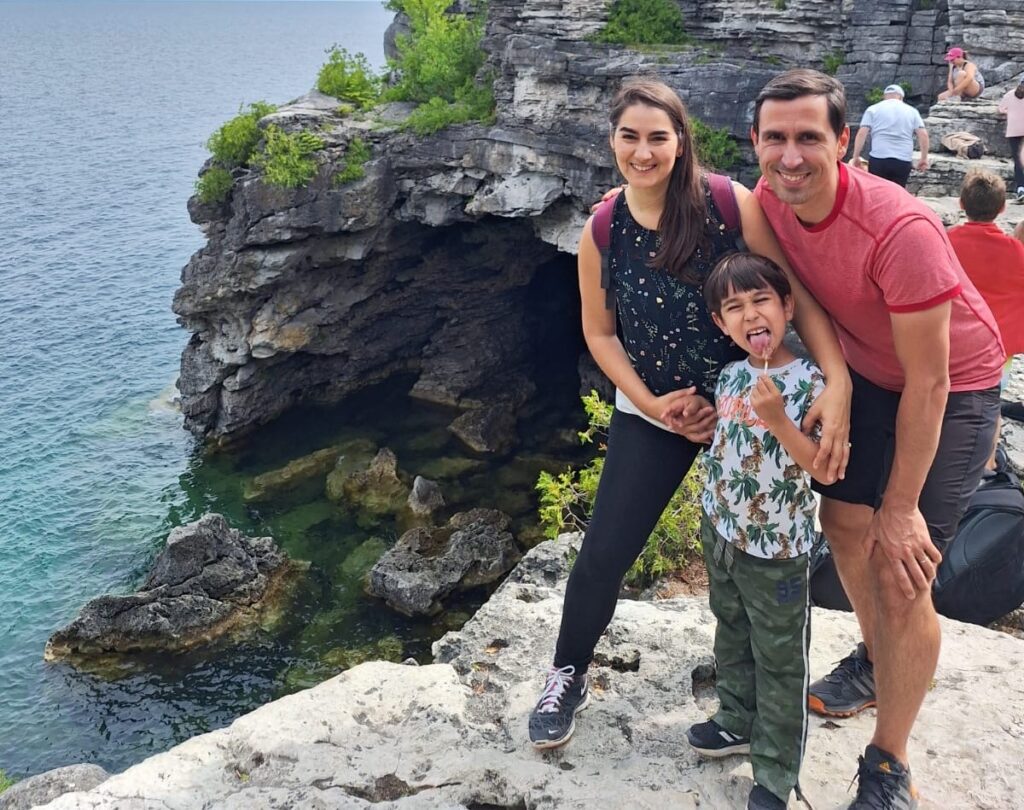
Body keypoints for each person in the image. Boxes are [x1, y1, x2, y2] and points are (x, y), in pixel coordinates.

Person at [527, 78, 853, 764]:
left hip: (753, 398)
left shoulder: (727, 204)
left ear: (680, 142)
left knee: (800, 543)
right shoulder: (603, 228)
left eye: (658, 137)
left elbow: (790, 294)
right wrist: (653, 405)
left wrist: (836, 379)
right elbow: (601, 333)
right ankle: (568, 676)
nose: (643, 152)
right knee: (604, 553)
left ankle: (791, 696)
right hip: (662, 406)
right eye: (629, 137)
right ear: (612, 141)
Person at [751, 69, 1003, 809]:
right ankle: (873, 658)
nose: (790, 156)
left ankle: (889, 763)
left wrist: (902, 506)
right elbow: (799, 295)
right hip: (864, 370)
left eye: (808, 138)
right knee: (843, 523)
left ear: (844, 143)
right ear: (758, 143)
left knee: (898, 560)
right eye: (775, 138)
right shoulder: (770, 199)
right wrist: (834, 377)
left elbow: (931, 383)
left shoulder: (900, 229)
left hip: (955, 383)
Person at [687, 253, 830, 810]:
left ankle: (775, 770)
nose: (750, 315)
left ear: (787, 307)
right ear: (722, 324)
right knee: (731, 630)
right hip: (721, 533)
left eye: (761, 300)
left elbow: (821, 466)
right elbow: (730, 445)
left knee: (780, 658)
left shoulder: (812, 383)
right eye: (735, 308)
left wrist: (779, 421)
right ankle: (735, 718)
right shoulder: (730, 375)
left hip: (778, 551)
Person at [948, 170, 1024, 436]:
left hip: (950, 342)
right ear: (1003, 208)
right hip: (997, 348)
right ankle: (988, 462)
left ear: (961, 203)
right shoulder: (1016, 250)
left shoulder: (946, 242)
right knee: (989, 404)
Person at [848, 84, 929, 187]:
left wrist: (855, 157)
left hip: (879, 159)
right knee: (898, 194)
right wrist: (924, 158)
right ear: (901, 97)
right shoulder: (912, 111)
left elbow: (862, 133)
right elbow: (923, 134)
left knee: (878, 193)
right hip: (902, 160)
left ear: (884, 96)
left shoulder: (873, 109)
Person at [997, 79, 1024, 202]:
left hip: (1013, 131)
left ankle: (1020, 188)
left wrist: (1011, 112)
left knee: (1018, 161)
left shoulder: (1009, 94)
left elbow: (1001, 109)